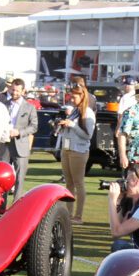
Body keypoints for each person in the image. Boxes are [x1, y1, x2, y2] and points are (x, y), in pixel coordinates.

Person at [56, 84, 95, 223]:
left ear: (82, 96)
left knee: (78, 183)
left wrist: (72, 125)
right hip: (66, 149)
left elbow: (88, 135)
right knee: (69, 183)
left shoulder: (88, 113)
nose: (71, 98)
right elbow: (70, 130)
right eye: (71, 95)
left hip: (79, 150)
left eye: (74, 96)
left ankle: (78, 216)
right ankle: (68, 214)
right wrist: (61, 126)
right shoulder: (74, 111)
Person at [0, 78, 38, 196]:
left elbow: (34, 127)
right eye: (12, 90)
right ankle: (1, 208)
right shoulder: (3, 105)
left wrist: (19, 132)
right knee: (2, 177)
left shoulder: (30, 107)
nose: (14, 93)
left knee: (19, 179)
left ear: (23, 91)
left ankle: (16, 208)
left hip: (20, 145)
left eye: (17, 90)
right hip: (4, 145)